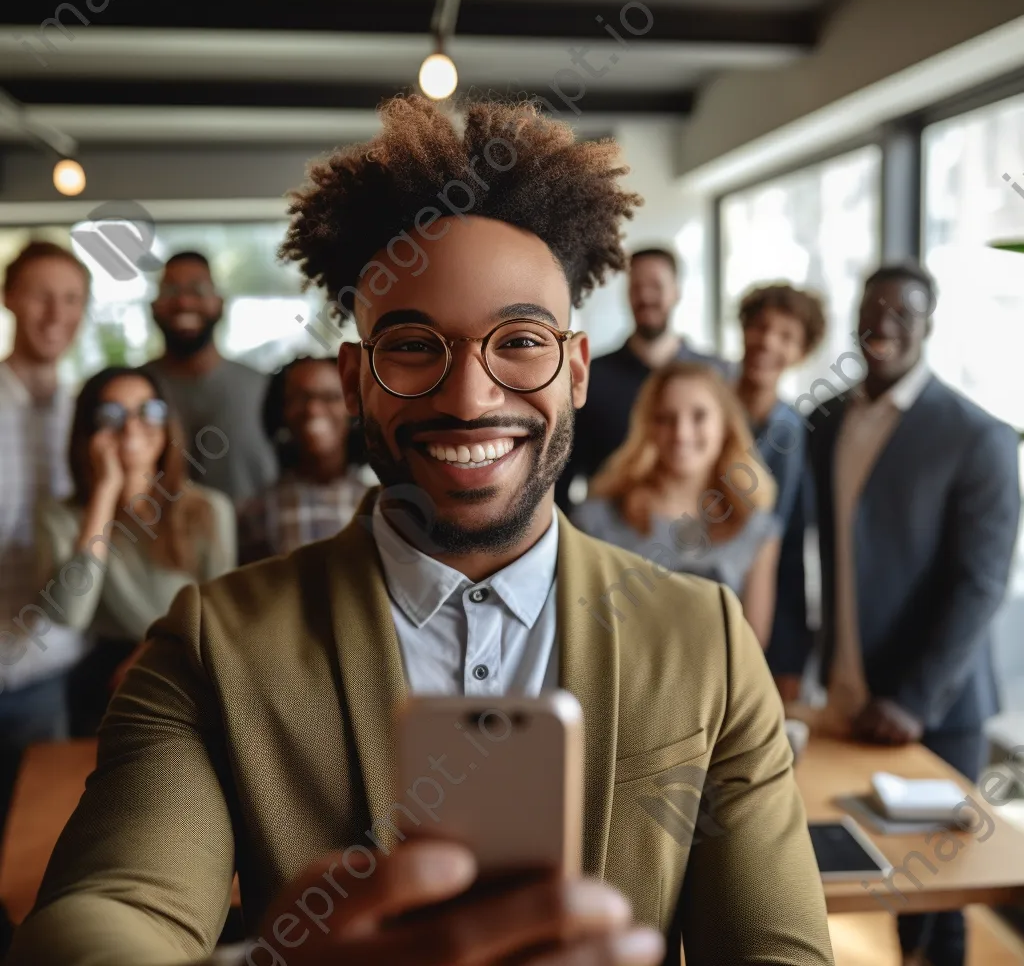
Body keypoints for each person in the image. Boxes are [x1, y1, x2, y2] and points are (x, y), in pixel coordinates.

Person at [7, 97, 834, 966]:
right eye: (412, 346)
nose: (470, 397)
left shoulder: (709, 642)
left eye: (519, 341)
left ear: (578, 370)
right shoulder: (212, 644)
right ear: (356, 380)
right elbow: (96, 917)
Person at [787, 263, 1020, 966]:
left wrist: (915, 699)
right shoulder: (825, 420)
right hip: (846, 697)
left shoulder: (977, 434)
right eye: (871, 308)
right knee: (866, 874)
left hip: (930, 711)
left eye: (903, 312)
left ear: (929, 325)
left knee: (937, 897)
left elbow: (980, 583)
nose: (883, 323)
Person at [36, 366, 236, 735]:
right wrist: (106, 491)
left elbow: (221, 616)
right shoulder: (62, 517)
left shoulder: (209, 510)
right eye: (111, 415)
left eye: (148, 411)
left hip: (187, 665)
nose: (131, 427)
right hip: (104, 679)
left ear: (166, 423)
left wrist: (152, 654)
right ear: (89, 430)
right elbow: (69, 614)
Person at [573, 362, 780, 646]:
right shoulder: (595, 519)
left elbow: (753, 646)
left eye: (699, 416)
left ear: (725, 425)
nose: (681, 433)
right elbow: (581, 631)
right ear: (649, 427)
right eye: (665, 418)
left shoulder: (756, 528)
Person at [0, 241, 90, 831]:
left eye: (71, 299)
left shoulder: (90, 416)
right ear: (8, 298)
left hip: (46, 666)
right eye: (40, 296)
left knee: (35, 844)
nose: (56, 313)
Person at [555, 247, 733, 510]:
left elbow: (733, 462)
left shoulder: (717, 375)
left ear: (677, 292)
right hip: (609, 540)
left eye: (656, 286)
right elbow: (562, 474)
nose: (645, 296)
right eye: (636, 286)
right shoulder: (590, 376)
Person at [733, 283, 826, 689]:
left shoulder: (791, 429)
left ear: (802, 352)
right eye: (761, 327)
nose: (768, 341)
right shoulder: (701, 410)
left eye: (786, 336)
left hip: (767, 608)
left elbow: (780, 537)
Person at [144, 251, 278, 505]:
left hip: (253, 543)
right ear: (153, 306)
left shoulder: (263, 388)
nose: (183, 302)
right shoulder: (134, 391)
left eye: (197, 290)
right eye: (171, 291)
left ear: (220, 303)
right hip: (155, 542)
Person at [237, 356, 371, 563]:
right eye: (300, 398)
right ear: (281, 411)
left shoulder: (379, 506)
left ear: (353, 409)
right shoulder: (257, 511)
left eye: (330, 397)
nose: (313, 410)